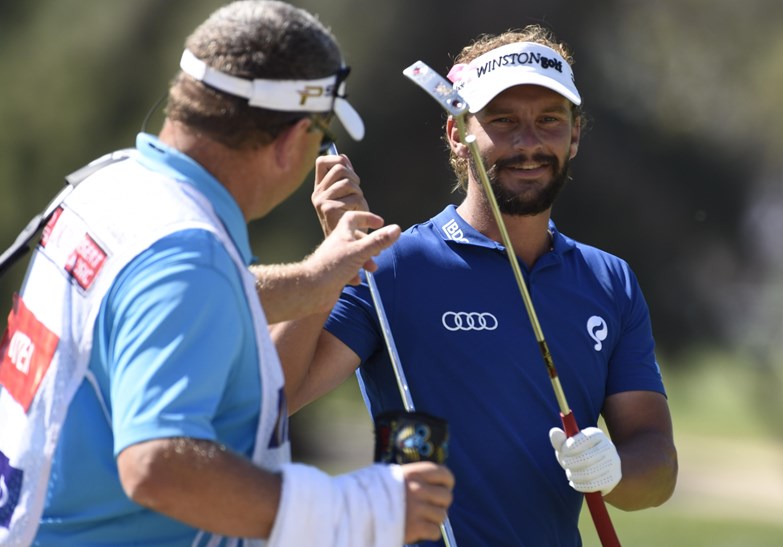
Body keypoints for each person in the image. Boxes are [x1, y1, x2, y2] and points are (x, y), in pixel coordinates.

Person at [0, 1, 454, 545]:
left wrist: (314, 281)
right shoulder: (187, 254)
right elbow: (156, 466)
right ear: (291, 141)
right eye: (321, 134)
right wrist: (355, 509)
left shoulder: (111, 186)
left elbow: (170, 306)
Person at [274, 25, 678, 546]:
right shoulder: (393, 265)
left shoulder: (609, 281)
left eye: (549, 121)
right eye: (503, 121)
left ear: (574, 135)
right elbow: (276, 397)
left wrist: (615, 469)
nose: (528, 143)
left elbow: (657, 464)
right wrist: (331, 265)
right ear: (457, 133)